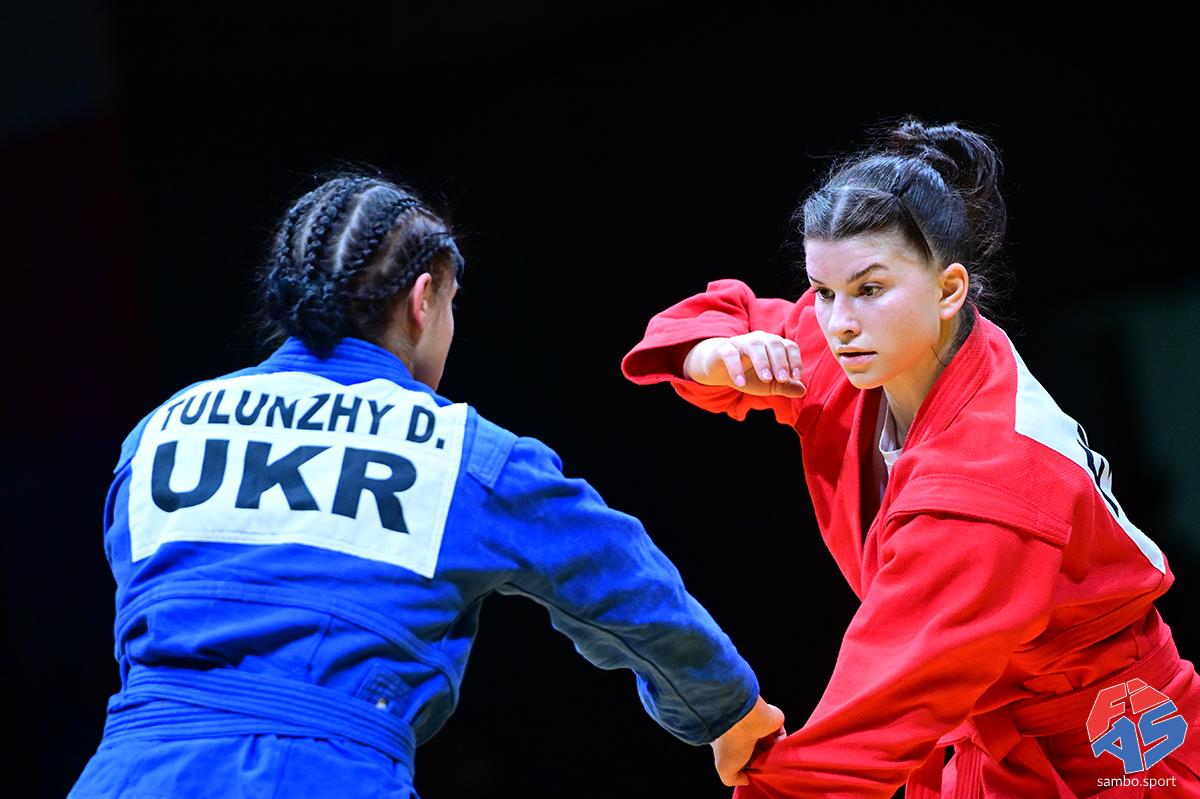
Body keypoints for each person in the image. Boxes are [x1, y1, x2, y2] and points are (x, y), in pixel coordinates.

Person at [68, 172, 784, 798]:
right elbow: (626, 586)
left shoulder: (159, 431)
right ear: (422, 300)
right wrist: (727, 711)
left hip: (124, 774)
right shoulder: (464, 454)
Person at [621, 119, 1200, 797]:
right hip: (991, 728)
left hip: (1115, 747)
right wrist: (712, 356)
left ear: (950, 289)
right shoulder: (876, 345)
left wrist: (767, 776)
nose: (838, 322)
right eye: (823, 290)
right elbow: (725, 316)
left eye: (869, 289)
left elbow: (868, 731)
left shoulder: (987, 479)